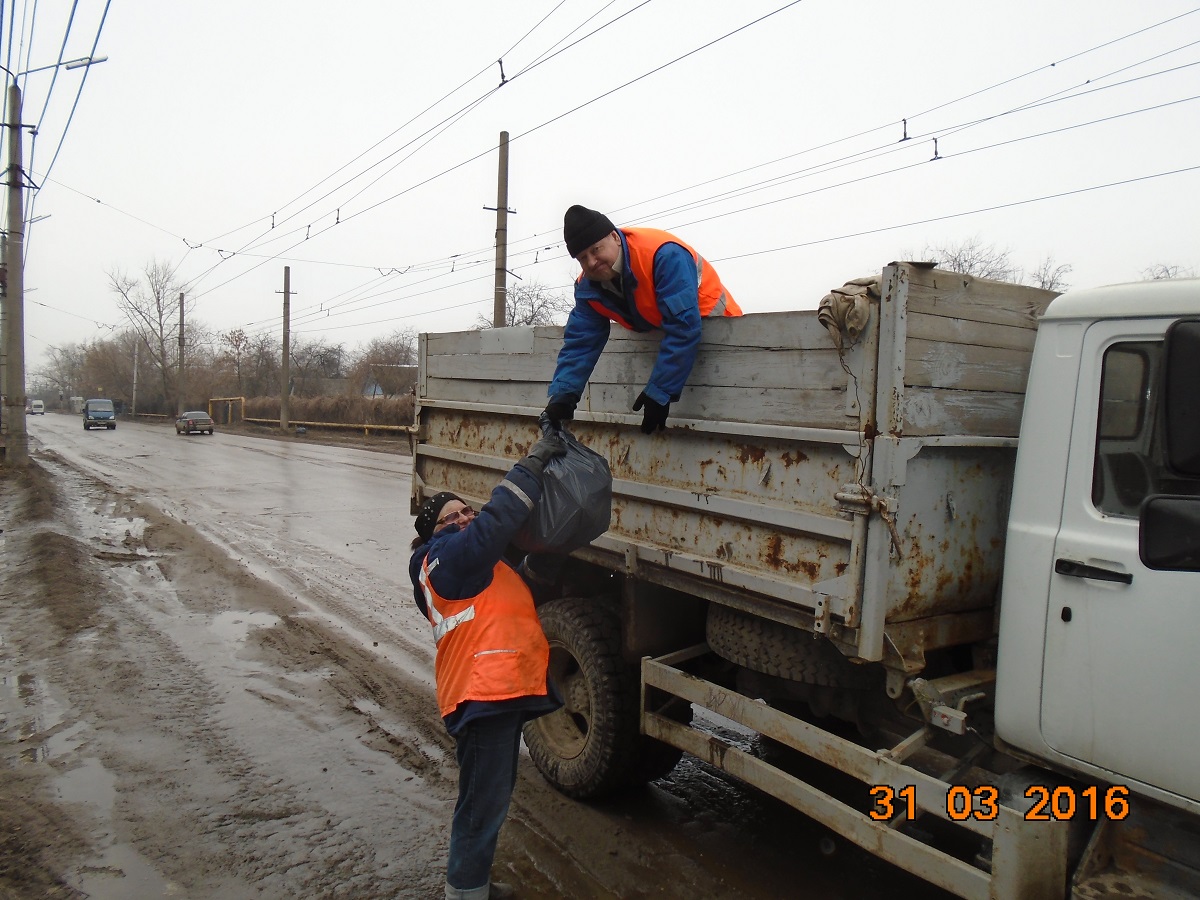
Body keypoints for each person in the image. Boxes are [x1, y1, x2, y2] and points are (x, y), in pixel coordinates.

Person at [409, 428, 567, 900]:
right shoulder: (442, 559)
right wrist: (533, 463)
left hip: (499, 692)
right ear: (434, 532)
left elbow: (510, 594)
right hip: (483, 695)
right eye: (451, 516)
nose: (463, 518)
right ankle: (465, 893)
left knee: (491, 799)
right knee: (481, 805)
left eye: (466, 511)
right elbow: (493, 525)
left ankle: (471, 886)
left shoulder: (476, 564)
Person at [544, 205, 743, 435]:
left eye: (595, 249)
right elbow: (581, 341)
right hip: (675, 349)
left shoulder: (663, 255)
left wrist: (660, 391)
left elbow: (683, 326)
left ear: (614, 237)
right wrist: (563, 396)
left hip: (724, 335)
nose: (591, 262)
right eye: (582, 258)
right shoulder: (588, 287)